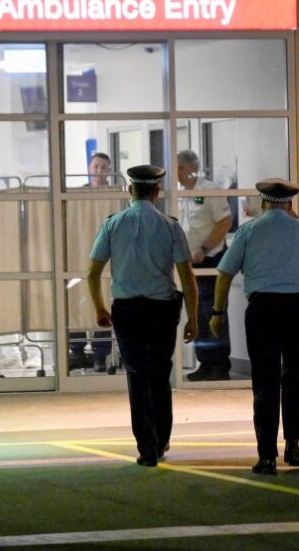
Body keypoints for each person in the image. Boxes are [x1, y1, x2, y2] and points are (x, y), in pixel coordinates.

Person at [210, 178, 299, 475]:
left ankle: (266, 455)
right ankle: (295, 447)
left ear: (262, 202)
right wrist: (294, 221)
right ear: (290, 204)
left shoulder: (248, 231)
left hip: (263, 310)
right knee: (295, 376)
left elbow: (224, 274)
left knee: (265, 380)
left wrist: (217, 312)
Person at [86, 165, 198, 467]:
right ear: (157, 192)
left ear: (129, 191)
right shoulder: (170, 226)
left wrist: (99, 307)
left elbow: (93, 272)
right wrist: (194, 317)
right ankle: (160, 440)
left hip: (127, 311)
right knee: (160, 374)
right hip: (162, 309)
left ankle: (146, 448)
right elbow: (187, 277)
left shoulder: (112, 225)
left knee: (136, 376)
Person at [177, 150, 234, 381]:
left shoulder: (209, 190)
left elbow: (225, 221)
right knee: (196, 313)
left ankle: (220, 364)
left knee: (213, 310)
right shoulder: (179, 194)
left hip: (210, 260)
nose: (176, 173)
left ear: (191, 168)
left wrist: (204, 249)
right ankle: (205, 362)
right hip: (189, 264)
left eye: (179, 168)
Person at [69, 152, 116, 372]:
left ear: (110, 170)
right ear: (89, 168)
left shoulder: (116, 196)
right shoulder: (76, 197)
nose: (99, 171)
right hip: (80, 258)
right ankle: (76, 351)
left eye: (104, 167)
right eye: (96, 166)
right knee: (76, 305)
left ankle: (100, 355)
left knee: (103, 303)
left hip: (106, 260)